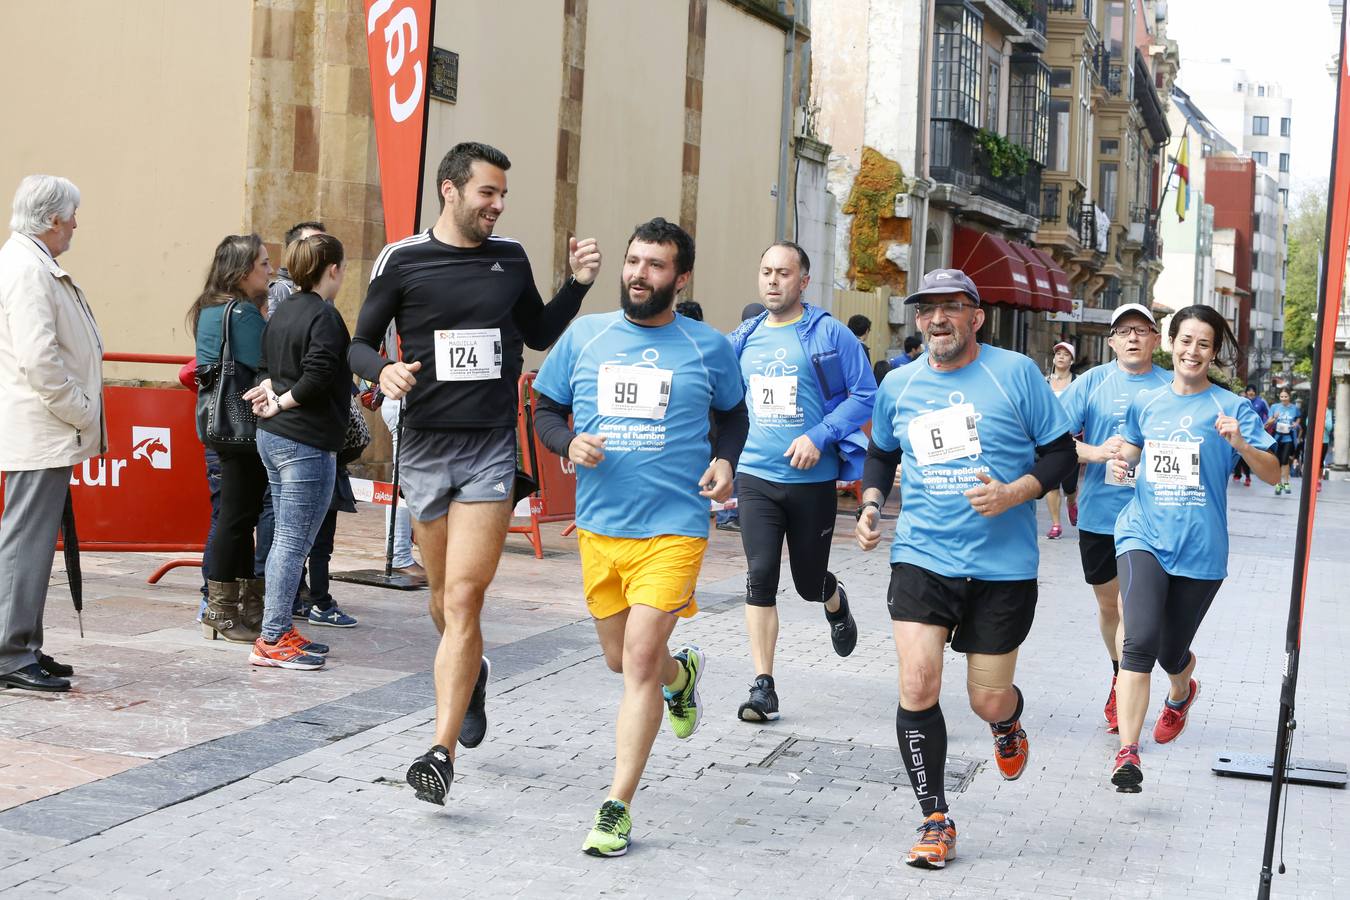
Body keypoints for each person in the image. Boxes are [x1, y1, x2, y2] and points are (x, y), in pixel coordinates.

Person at [348, 141, 601, 805]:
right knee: (440, 597)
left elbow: (539, 331)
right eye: (488, 193)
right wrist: (384, 371)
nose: (497, 205)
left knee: (463, 597)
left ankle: (440, 750)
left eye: (502, 195)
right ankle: (473, 672)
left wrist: (576, 282)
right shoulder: (404, 261)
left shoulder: (509, 258)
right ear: (450, 190)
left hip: (490, 445)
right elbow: (357, 341)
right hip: (426, 446)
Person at [531, 217, 747, 857]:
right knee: (623, 661)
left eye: (654, 265)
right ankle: (682, 679)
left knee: (639, 661)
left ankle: (616, 804)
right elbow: (543, 409)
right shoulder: (586, 337)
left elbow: (733, 414)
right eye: (633, 261)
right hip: (601, 527)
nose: (638, 274)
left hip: (676, 525)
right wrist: (568, 441)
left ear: (680, 279)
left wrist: (725, 460)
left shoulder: (708, 347)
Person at [855, 268, 1075, 869]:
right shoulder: (898, 385)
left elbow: (1060, 454)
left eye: (951, 307)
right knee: (918, 683)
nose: (937, 320)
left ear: (976, 316)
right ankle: (935, 818)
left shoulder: (1015, 375)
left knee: (987, 699)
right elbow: (881, 453)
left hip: (1003, 568)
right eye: (927, 309)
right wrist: (872, 505)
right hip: (923, 557)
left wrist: (1014, 493)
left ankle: (1008, 724)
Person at [1105, 305, 1278, 793]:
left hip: (1201, 549)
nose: (1193, 351)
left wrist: (1242, 444)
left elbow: (1274, 473)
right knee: (1138, 640)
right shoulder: (1148, 402)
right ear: (1172, 343)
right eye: (1186, 341)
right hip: (1143, 535)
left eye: (1204, 344)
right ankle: (1129, 752)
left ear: (1214, 352)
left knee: (1169, 650)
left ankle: (1181, 691)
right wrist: (1120, 467)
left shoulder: (1231, 408)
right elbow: (1133, 452)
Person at [727, 241, 875, 722]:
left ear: (803, 281)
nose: (773, 280)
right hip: (755, 477)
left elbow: (865, 394)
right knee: (760, 575)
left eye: (784, 273)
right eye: (766, 271)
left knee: (808, 583)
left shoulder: (829, 335)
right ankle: (764, 685)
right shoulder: (743, 339)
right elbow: (717, 395)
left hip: (812, 481)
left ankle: (834, 601)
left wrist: (821, 434)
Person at [0, 175, 100, 692]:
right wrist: (81, 410)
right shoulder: (25, 267)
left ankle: (23, 644)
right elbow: (40, 359)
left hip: (45, 427)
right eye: (73, 214)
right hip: (42, 426)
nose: (77, 224)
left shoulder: (29, 262)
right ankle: (10, 653)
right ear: (53, 218)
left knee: (34, 542)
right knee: (26, 540)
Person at [1058, 303, 1169, 733]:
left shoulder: (1169, 385)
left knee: (1131, 607)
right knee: (1108, 606)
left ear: (1156, 340)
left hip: (1151, 517)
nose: (1134, 338)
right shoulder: (1091, 382)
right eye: (1125, 331)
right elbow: (1058, 440)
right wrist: (1096, 452)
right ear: (1112, 341)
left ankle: (1126, 686)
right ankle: (1118, 670)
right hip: (1100, 515)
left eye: (1142, 330)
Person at [243, 234, 352, 669]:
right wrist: (282, 400)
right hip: (304, 441)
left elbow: (269, 369)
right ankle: (272, 637)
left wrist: (269, 396)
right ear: (333, 270)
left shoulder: (283, 309)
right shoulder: (325, 316)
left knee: (287, 540)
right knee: (292, 541)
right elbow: (318, 375)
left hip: (275, 436)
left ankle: (279, 628)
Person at [189, 234, 273, 644]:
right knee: (236, 519)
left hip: (218, 425)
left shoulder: (210, 309)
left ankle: (231, 605)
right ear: (242, 272)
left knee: (234, 517)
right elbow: (270, 362)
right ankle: (221, 612)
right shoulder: (241, 314)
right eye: (263, 263)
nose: (270, 271)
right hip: (242, 429)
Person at [714, 303, 769, 533]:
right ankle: (727, 515)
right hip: (745, 419)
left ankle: (729, 514)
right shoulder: (746, 344)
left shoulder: (733, 342)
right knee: (734, 468)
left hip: (744, 419)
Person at [1043, 341, 1079, 539]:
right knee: (1051, 483)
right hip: (1048, 438)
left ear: (1071, 360)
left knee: (1070, 486)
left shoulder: (1078, 382)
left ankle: (1072, 502)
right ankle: (1056, 524)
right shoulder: (1044, 381)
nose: (1061, 357)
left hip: (1072, 439)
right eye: (1058, 354)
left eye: (1066, 354)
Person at [267, 221, 325, 318]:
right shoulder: (278, 291)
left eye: (324, 244)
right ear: (294, 250)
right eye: (313, 244)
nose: (323, 251)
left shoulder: (324, 289)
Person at [1232, 385, 1269, 486]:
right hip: (1240, 431)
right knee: (1238, 453)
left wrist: (1263, 425)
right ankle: (1237, 474)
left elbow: (1268, 414)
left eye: (1252, 391)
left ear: (1255, 392)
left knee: (1246, 455)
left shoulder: (1261, 402)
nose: (1250, 393)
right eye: (1249, 391)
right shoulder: (1242, 401)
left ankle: (1248, 476)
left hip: (1253, 433)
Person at [1267, 389, 1300, 495]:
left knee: (1285, 460)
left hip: (1288, 438)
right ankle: (1278, 484)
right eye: (1282, 397)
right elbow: (1269, 422)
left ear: (1289, 397)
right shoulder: (1274, 407)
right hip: (1277, 438)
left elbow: (1298, 418)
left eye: (1286, 396)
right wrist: (1274, 418)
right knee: (1277, 462)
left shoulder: (1294, 408)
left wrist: (1296, 424)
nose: (1284, 399)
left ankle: (1286, 482)